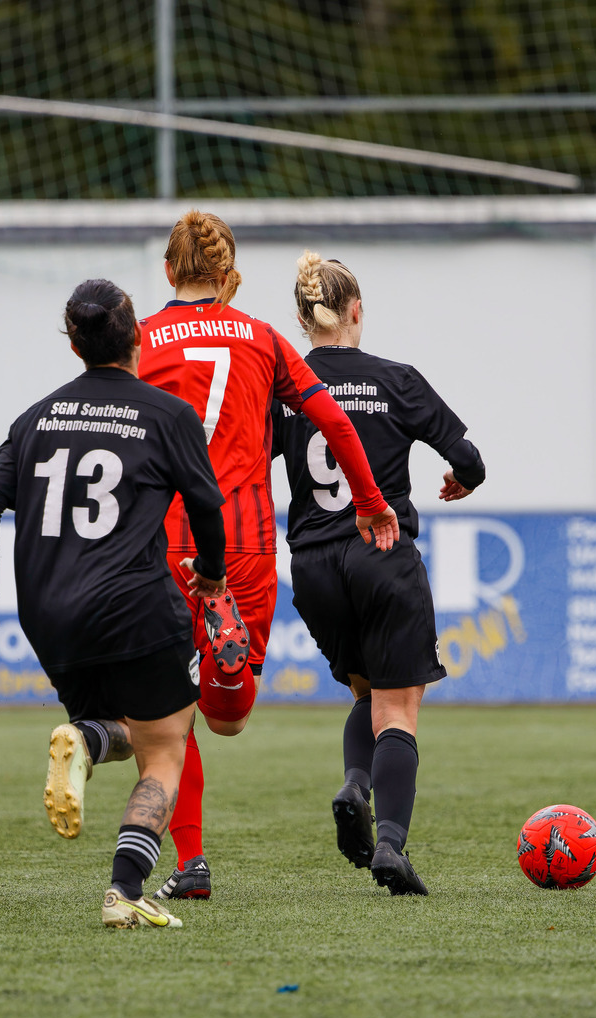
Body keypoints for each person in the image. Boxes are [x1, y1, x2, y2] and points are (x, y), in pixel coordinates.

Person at [0, 279, 230, 929]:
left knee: (122, 734)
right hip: (134, 604)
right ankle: (124, 890)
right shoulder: (166, 414)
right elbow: (208, 505)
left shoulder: (35, 417)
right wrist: (210, 576)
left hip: (48, 612)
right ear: (137, 337)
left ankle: (85, 739)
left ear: (73, 343)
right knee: (166, 748)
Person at [137, 210, 399, 900]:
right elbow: (334, 421)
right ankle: (225, 663)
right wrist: (370, 500)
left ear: (168, 272)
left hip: (166, 542)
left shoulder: (141, 340)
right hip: (243, 543)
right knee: (228, 718)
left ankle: (190, 864)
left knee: (167, 717)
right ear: (229, 277)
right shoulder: (262, 339)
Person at [271, 251, 486, 895]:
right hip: (381, 549)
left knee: (366, 693)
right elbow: (469, 458)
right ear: (356, 311)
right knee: (399, 707)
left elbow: (240, 467)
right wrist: (461, 480)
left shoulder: (282, 389)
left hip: (312, 566)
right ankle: (390, 844)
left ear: (303, 321)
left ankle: (353, 785)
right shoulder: (397, 380)